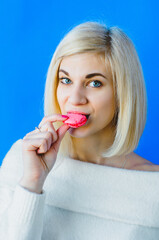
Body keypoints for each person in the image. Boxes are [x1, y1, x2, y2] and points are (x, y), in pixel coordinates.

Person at [0, 21, 159, 239]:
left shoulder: (153, 186)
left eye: (94, 83)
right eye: (65, 80)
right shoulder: (22, 161)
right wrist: (32, 182)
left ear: (123, 94)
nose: (74, 99)